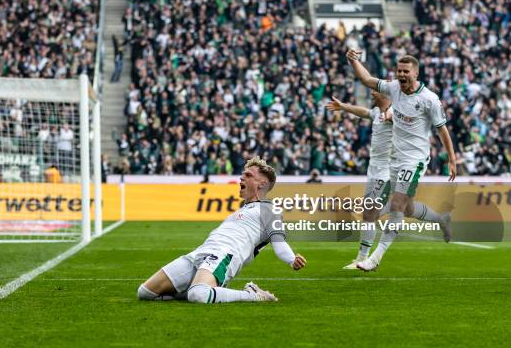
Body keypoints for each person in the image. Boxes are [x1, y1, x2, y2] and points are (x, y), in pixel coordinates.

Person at [137, 156, 306, 303]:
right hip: (199, 253)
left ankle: (252, 295)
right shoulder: (243, 209)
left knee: (199, 295)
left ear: (262, 184)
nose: (241, 178)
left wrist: (291, 260)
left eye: (248, 175)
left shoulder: (270, 210)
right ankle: (204, 290)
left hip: (224, 255)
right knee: (146, 293)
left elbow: (279, 242)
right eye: (242, 174)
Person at [346, 50, 456, 271]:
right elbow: (367, 80)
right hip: (394, 159)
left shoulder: (429, 99)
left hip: (414, 161)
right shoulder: (394, 87)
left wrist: (452, 159)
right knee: (407, 208)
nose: (401, 74)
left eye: (406, 71)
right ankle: (441, 219)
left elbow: (442, 130)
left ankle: (374, 259)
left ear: (415, 73)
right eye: (399, 71)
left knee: (396, 205)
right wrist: (354, 61)